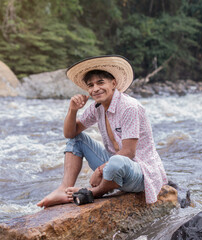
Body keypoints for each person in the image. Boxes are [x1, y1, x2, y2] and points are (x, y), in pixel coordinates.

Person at [37, 55, 168, 208]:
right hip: (114, 170)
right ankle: (63, 190)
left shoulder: (129, 107)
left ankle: (94, 192)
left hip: (140, 173)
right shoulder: (97, 108)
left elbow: (129, 152)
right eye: (90, 85)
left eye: (100, 82)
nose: (95, 88)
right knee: (78, 139)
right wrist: (72, 110)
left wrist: (99, 171)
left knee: (116, 161)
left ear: (114, 83)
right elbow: (70, 134)